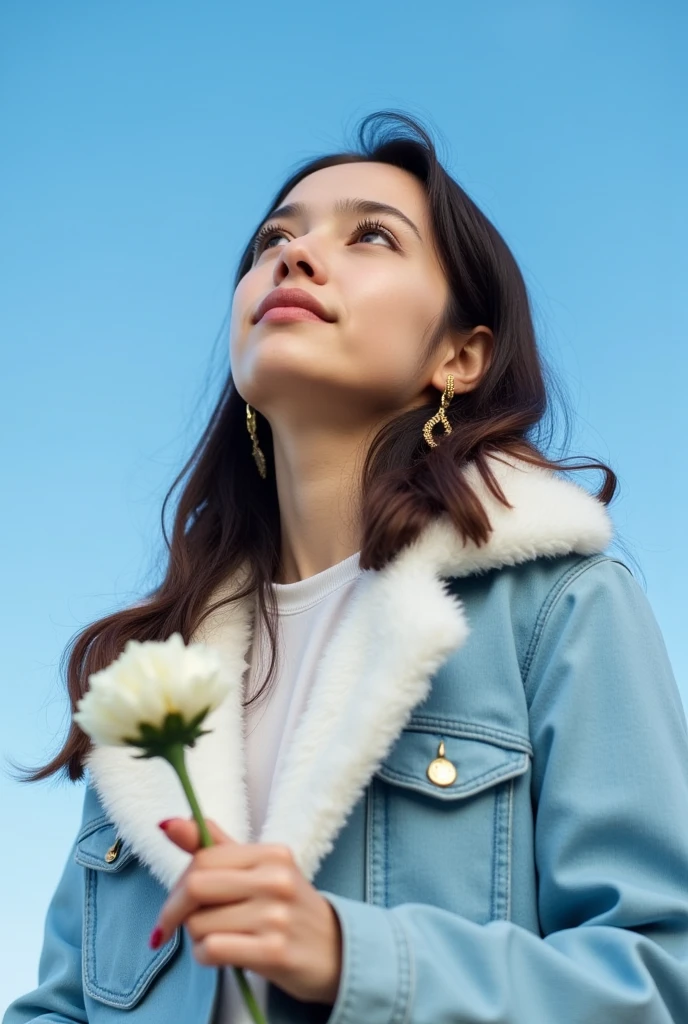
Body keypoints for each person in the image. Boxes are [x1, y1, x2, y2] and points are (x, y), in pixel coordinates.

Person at [5, 110, 688, 1024]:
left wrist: (353, 957)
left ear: (459, 356)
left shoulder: (560, 604)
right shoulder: (159, 676)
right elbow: (60, 1007)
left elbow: (660, 975)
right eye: (272, 240)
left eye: (371, 235)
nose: (292, 257)